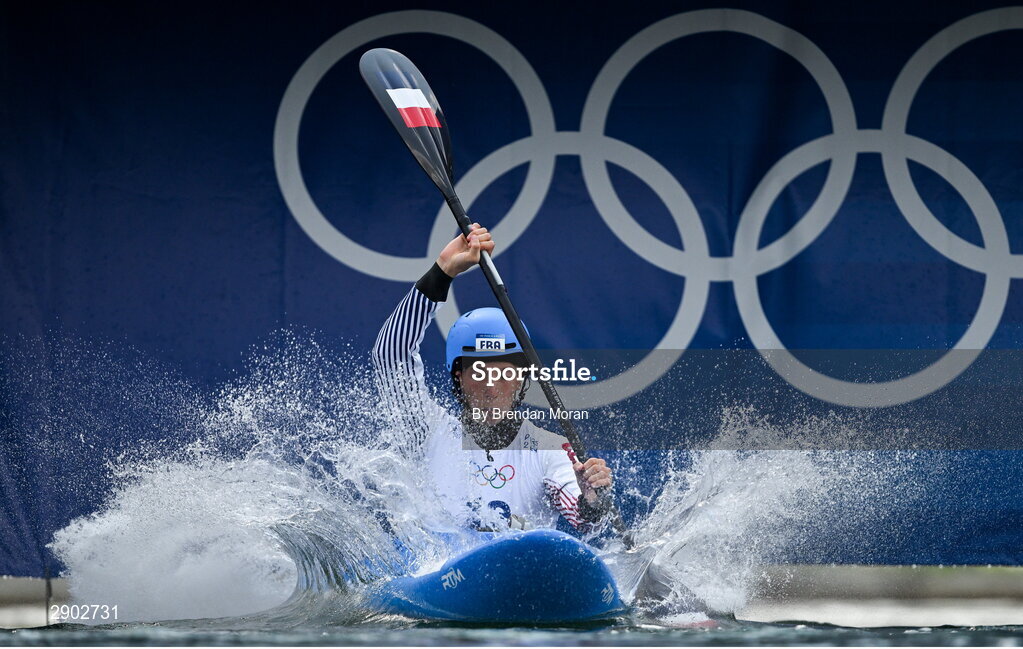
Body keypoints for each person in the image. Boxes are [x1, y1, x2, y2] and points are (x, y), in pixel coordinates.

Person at [372, 223, 613, 532]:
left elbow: (583, 521)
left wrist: (592, 500)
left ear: (523, 377)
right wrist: (442, 272)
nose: (490, 382)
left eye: (503, 369)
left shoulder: (549, 448)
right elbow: (391, 356)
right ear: (458, 376)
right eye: (478, 369)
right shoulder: (426, 429)